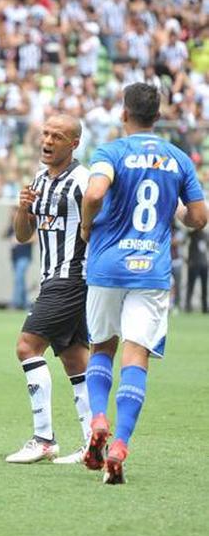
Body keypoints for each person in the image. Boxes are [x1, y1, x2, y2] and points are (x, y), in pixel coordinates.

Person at [81, 83, 207, 484]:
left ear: (124, 113)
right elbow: (199, 217)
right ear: (158, 115)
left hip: (106, 266)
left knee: (102, 346)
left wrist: (87, 226)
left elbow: (95, 191)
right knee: (136, 355)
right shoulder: (178, 158)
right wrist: (180, 213)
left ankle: (97, 418)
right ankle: (119, 442)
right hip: (150, 270)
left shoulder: (111, 152)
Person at [5, 115, 92, 466]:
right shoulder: (39, 180)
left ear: (73, 144)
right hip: (52, 279)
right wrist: (23, 208)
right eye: (46, 133)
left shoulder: (84, 181)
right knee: (75, 360)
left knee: (27, 346)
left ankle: (44, 438)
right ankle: (93, 441)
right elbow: (22, 235)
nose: (48, 140)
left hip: (70, 278)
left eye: (58, 135)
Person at [3, 208, 33, 310]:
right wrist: (9, 223)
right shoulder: (12, 226)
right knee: (19, 279)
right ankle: (24, 303)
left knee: (19, 278)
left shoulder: (26, 224)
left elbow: (34, 238)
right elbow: (2, 235)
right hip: (15, 256)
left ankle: (16, 303)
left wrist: (19, 240)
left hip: (24, 255)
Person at [186, 228, 208, 314]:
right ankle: (188, 307)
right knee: (190, 286)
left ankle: (205, 308)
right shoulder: (192, 234)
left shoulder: (205, 235)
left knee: (204, 288)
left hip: (203, 264)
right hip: (194, 264)